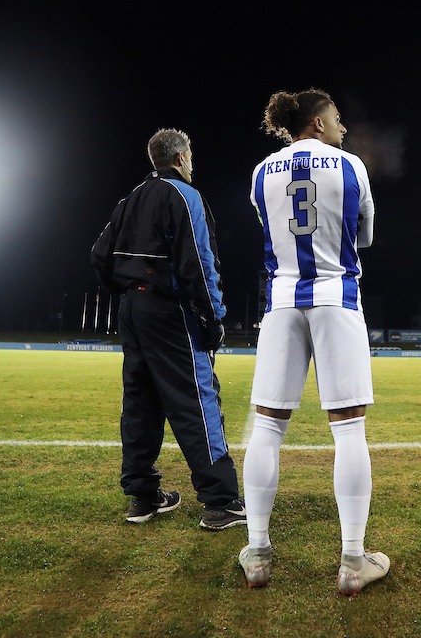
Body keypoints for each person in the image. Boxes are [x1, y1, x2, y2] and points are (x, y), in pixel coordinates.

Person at [238, 88, 389, 596]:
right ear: (319, 124)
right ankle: (352, 562)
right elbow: (363, 236)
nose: (343, 127)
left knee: (266, 424)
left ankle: (256, 552)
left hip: (282, 300)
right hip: (336, 297)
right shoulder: (349, 166)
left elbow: (271, 230)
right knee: (348, 430)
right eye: (338, 119)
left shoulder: (261, 172)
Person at [91, 128, 245, 530]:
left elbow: (99, 255)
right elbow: (198, 264)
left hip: (133, 309)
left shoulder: (130, 198)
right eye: (190, 155)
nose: (192, 163)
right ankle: (221, 500)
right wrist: (212, 321)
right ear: (179, 158)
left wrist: (128, 293)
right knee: (194, 398)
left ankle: (142, 497)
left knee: (140, 402)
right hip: (170, 311)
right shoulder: (184, 196)